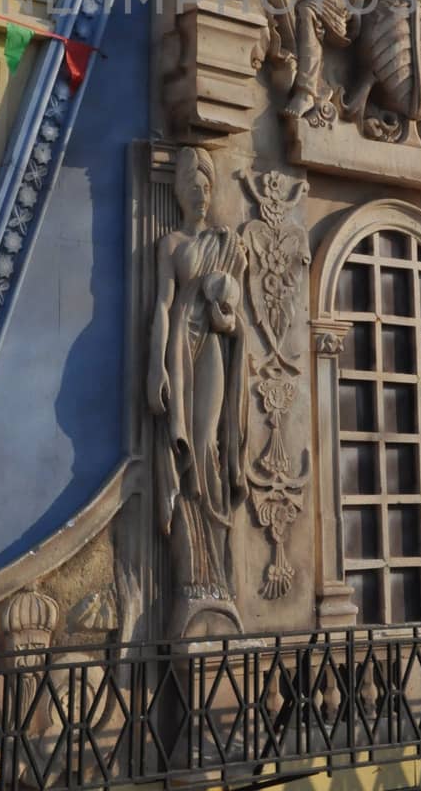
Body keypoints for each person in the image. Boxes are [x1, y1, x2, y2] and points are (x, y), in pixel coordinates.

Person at [147, 147, 249, 634]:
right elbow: (163, 309)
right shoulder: (169, 246)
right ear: (178, 191)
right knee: (179, 445)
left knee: (206, 442)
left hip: (208, 347)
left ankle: (216, 558)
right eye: (192, 185)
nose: (201, 193)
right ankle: (195, 573)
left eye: (207, 185)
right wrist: (155, 368)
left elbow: (236, 320)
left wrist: (227, 321)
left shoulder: (228, 245)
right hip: (176, 354)